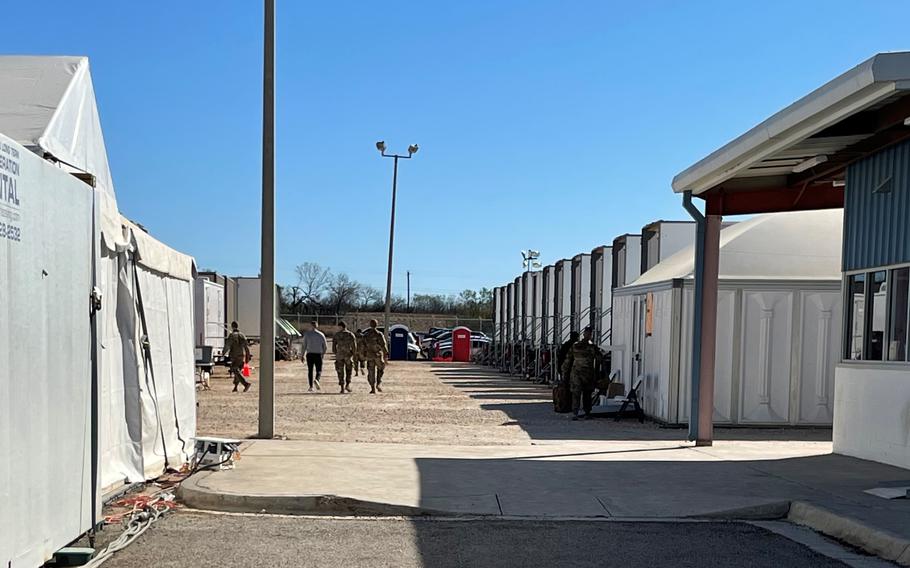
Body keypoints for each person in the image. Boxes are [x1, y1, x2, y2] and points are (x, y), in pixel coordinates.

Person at [561, 326, 603, 420]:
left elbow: (567, 361)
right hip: (584, 374)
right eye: (588, 334)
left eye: (589, 333)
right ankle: (584, 412)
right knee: (583, 394)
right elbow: (600, 359)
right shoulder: (591, 347)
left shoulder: (578, 346)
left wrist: (564, 373)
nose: (588, 335)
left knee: (580, 394)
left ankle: (578, 413)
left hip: (580, 373)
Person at [361, 319, 388, 394]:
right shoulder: (379, 334)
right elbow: (383, 345)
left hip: (370, 355)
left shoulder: (366, 335)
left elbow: (362, 346)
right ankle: (378, 383)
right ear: (377, 325)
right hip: (377, 355)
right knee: (381, 368)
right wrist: (386, 354)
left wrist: (363, 355)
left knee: (371, 371)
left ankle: (372, 388)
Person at [223, 321, 252, 393]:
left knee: (235, 370)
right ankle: (235, 387)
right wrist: (247, 356)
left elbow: (227, 346)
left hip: (235, 356)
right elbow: (246, 347)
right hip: (241, 356)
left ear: (232, 327)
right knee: (237, 372)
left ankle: (246, 384)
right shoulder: (242, 335)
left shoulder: (232, 335)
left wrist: (223, 353)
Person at [302, 320, 328, 392]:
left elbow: (304, 345)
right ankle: (317, 379)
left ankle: (311, 386)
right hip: (318, 354)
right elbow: (325, 346)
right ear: (317, 326)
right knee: (319, 370)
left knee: (310, 370)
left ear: (310, 326)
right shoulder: (321, 335)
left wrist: (302, 355)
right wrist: (323, 354)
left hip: (310, 354)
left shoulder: (307, 334)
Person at [333, 321, 357, 393]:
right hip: (348, 355)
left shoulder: (337, 335)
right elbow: (354, 346)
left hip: (340, 355)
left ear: (342, 326)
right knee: (348, 371)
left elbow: (334, 346)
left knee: (340, 371)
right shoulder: (350, 334)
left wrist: (336, 353)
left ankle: (342, 387)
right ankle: (347, 385)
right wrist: (353, 353)